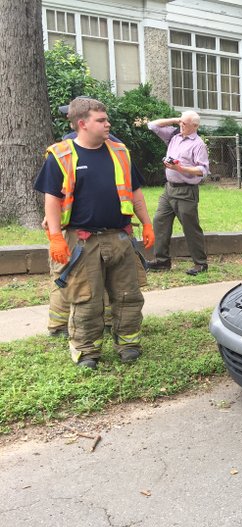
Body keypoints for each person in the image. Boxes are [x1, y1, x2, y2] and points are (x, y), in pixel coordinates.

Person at [34, 97, 155, 369]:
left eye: (106, 118)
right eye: (101, 120)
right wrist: (55, 237)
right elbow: (51, 199)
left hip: (120, 237)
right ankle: (87, 352)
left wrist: (146, 223)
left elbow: (135, 193)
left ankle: (129, 344)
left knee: (128, 296)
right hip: (82, 241)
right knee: (86, 299)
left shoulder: (120, 152)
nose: (107, 124)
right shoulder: (61, 156)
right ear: (82, 124)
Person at [45, 99, 124, 337]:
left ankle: (102, 320)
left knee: (84, 279)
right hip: (72, 228)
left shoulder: (112, 146)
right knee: (70, 277)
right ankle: (60, 325)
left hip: (98, 229)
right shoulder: (66, 146)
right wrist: (53, 223)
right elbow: (56, 189)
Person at [145, 112, 210, 275]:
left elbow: (203, 170)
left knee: (190, 227)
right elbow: (152, 125)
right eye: (180, 123)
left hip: (186, 191)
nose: (181, 126)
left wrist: (180, 168)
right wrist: (175, 120)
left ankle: (200, 264)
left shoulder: (198, 144)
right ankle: (162, 261)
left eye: (185, 124)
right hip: (169, 189)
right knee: (160, 221)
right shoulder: (174, 136)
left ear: (195, 126)